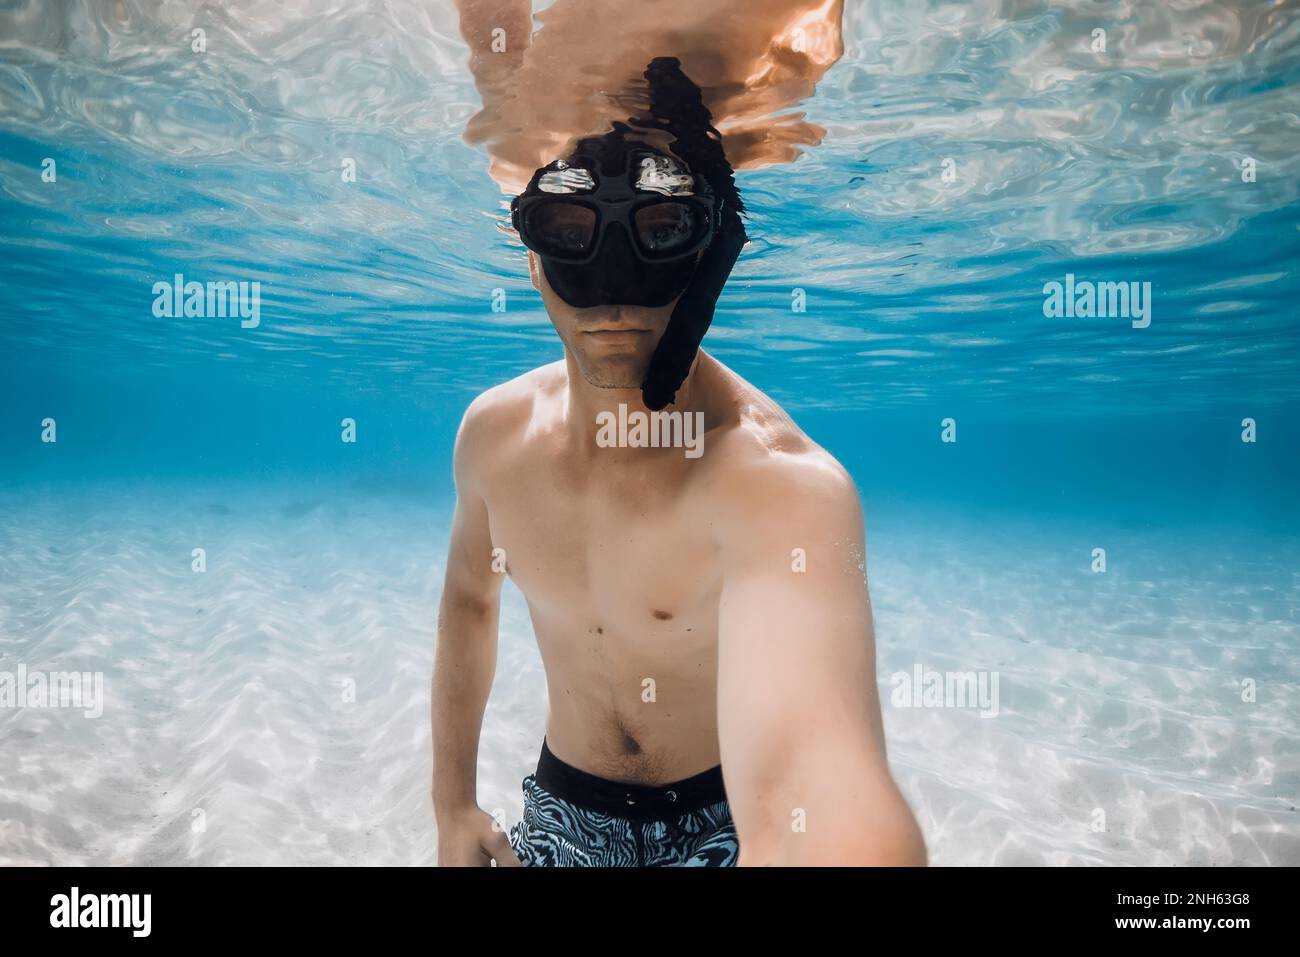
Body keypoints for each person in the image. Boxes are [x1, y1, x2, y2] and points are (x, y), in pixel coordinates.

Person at [432, 57, 925, 867]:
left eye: (661, 230)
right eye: (569, 232)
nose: (614, 293)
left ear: (710, 252)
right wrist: (452, 803)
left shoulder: (780, 487)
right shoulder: (493, 439)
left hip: (724, 825)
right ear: (532, 251)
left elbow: (823, 790)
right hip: (565, 810)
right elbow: (468, 602)